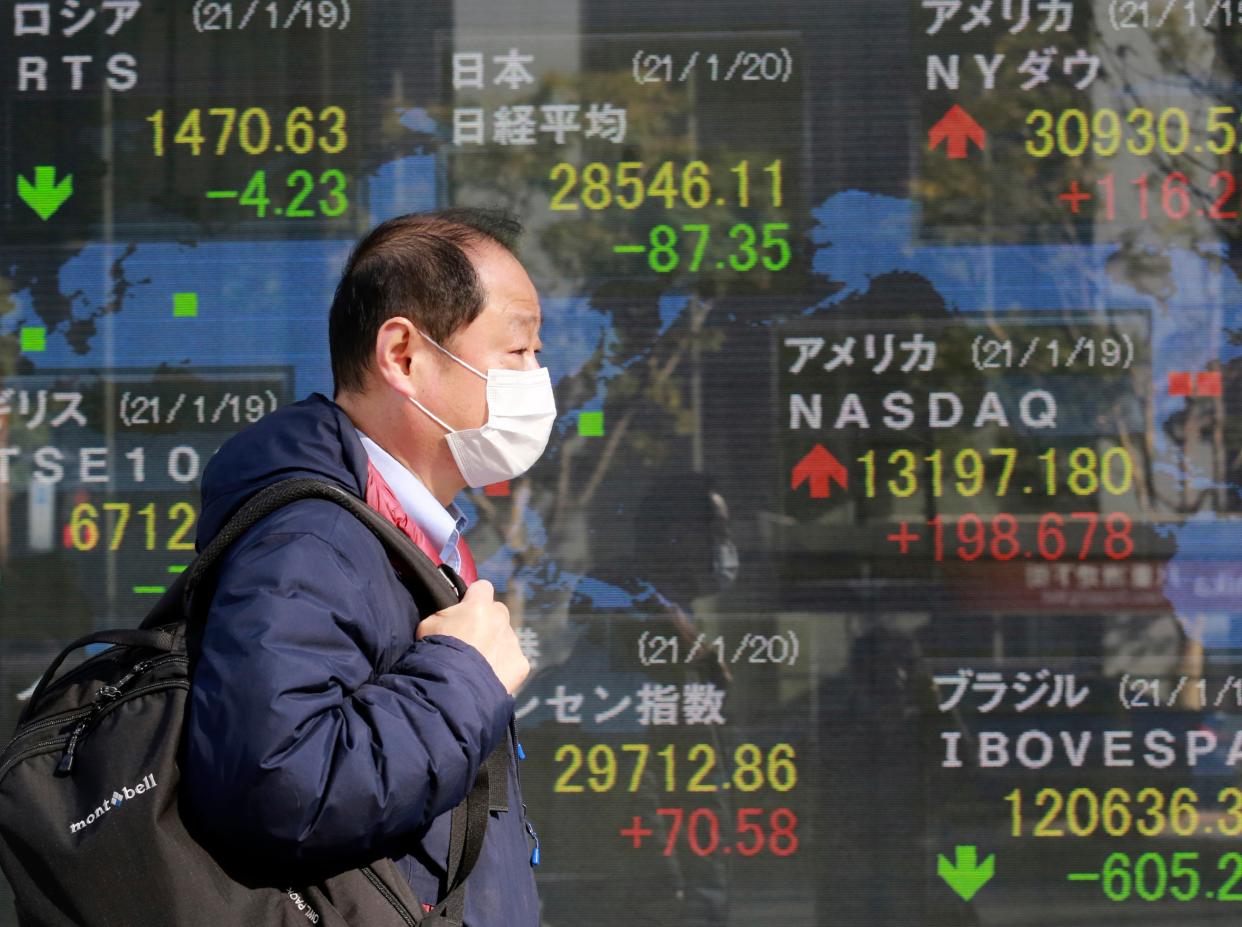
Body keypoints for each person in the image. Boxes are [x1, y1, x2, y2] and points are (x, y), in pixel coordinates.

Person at [182, 208, 551, 925]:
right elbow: (276, 785)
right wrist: (466, 676)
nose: (537, 379)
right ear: (404, 356)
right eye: (518, 351)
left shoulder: (390, 530)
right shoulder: (311, 538)